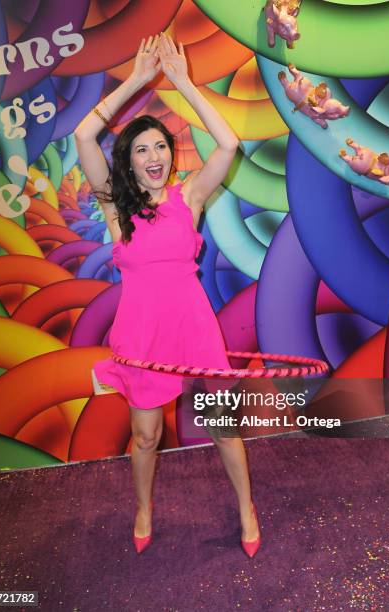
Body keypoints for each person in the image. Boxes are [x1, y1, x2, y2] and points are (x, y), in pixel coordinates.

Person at [74, 33, 260, 557]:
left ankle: (246, 508)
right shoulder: (116, 208)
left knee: (224, 429)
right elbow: (85, 138)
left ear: (168, 157)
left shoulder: (190, 196)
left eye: (160, 146)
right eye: (141, 149)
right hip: (142, 335)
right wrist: (137, 80)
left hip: (193, 327)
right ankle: (144, 508)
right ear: (128, 163)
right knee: (148, 437)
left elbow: (228, 145)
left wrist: (182, 81)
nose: (153, 156)